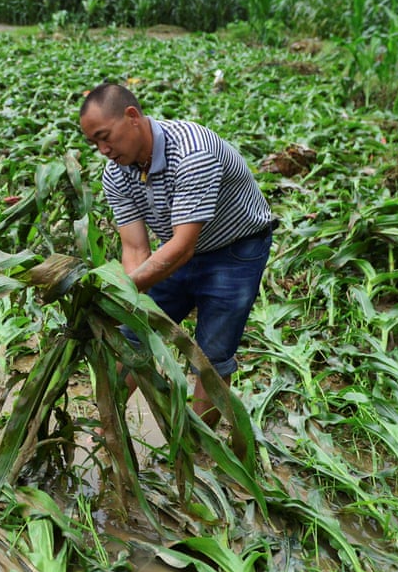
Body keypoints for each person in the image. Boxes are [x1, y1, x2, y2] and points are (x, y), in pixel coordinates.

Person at [79, 81, 274, 425]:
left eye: (105, 137)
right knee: (131, 335)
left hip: (235, 251)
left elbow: (183, 247)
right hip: (176, 248)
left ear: (132, 116)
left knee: (211, 357)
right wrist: (127, 301)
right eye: (94, 143)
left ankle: (199, 447)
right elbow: (135, 248)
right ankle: (110, 428)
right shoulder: (116, 173)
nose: (103, 150)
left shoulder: (192, 153)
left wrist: (117, 292)